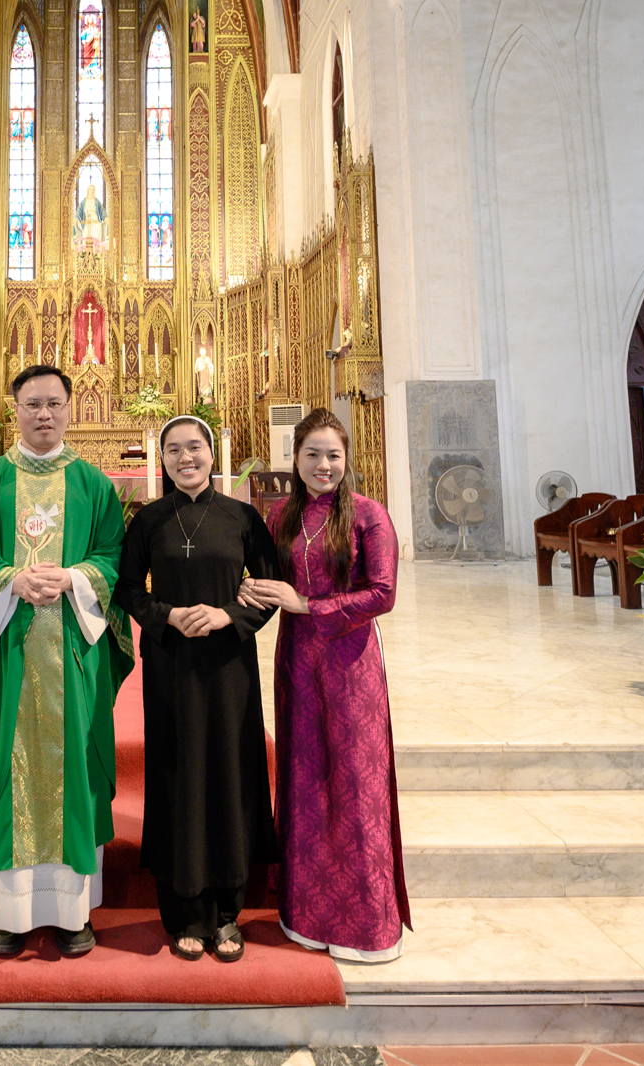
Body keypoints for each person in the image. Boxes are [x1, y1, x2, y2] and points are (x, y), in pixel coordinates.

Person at [0, 363, 132, 959]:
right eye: (32, 404)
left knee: (73, 767)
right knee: (7, 764)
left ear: (71, 409)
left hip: (71, 650)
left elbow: (113, 555)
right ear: (15, 409)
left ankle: (73, 913)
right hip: (7, 654)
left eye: (53, 403)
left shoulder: (93, 485)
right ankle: (9, 913)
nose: (44, 414)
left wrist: (74, 578)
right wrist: (12, 581)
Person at [240, 408, 410, 962]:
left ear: (346, 458)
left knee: (355, 781)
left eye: (333, 455)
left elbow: (382, 593)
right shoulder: (282, 515)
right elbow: (269, 582)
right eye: (312, 454)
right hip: (297, 662)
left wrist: (309, 605)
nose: (323, 465)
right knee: (304, 779)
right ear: (295, 458)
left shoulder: (368, 515)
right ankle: (307, 913)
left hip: (350, 661)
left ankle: (365, 924)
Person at [115, 414, 281, 962]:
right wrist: (167, 615)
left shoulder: (242, 517)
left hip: (229, 665)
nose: (185, 458)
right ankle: (184, 909)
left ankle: (228, 911)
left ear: (212, 453)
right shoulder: (149, 520)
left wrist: (227, 614)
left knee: (229, 773)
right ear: (161, 459)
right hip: (171, 666)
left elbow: (269, 587)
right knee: (178, 775)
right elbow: (126, 590)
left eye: (194, 447)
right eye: (173, 450)